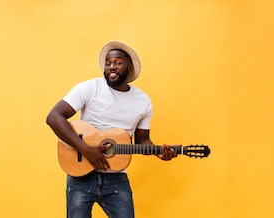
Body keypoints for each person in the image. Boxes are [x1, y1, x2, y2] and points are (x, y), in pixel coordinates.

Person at [46, 40, 177, 218]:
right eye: (108, 63)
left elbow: (142, 141)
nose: (111, 67)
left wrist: (158, 152)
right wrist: (86, 149)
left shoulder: (143, 101)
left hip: (116, 178)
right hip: (81, 177)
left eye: (117, 62)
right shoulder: (90, 88)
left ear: (130, 67)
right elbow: (54, 117)